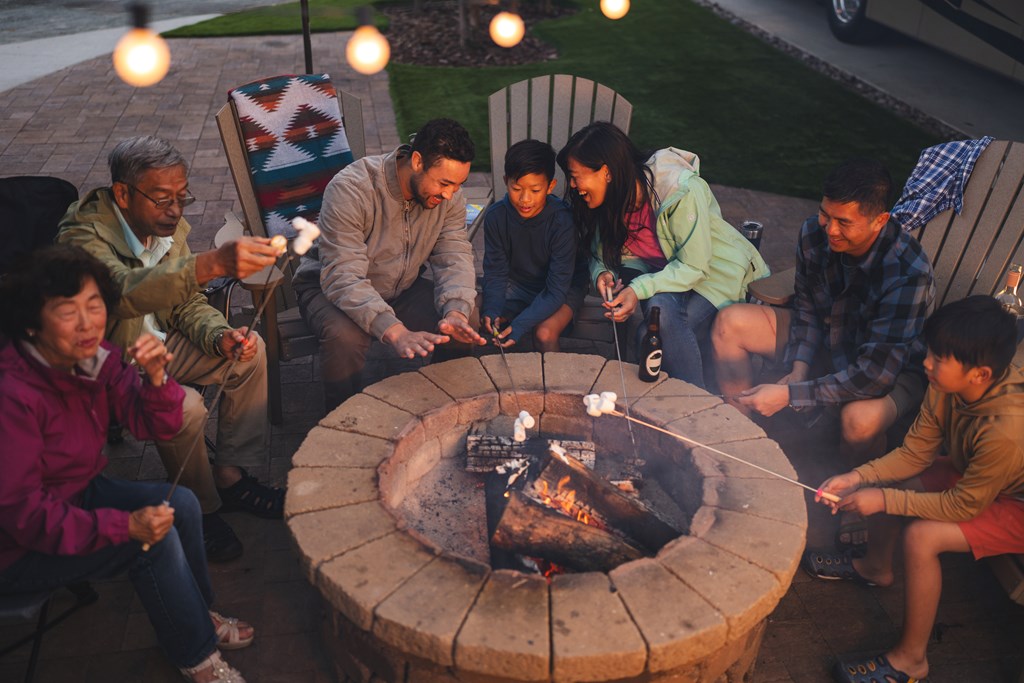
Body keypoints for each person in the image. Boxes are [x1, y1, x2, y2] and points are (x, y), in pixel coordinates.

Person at [0, 245, 254, 683]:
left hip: (74, 492)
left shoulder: (91, 358)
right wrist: (123, 527)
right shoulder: (12, 395)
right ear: (31, 325)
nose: (88, 323)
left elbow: (156, 425)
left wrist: (157, 381)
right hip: (17, 546)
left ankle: (194, 614)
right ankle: (196, 656)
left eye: (94, 305)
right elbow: (23, 515)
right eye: (67, 312)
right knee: (150, 543)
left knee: (183, 504)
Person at [57, 135, 285, 563]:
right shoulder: (83, 238)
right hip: (110, 366)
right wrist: (210, 264)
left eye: (183, 197)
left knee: (249, 350)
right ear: (123, 194)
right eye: (163, 199)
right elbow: (120, 293)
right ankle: (202, 508)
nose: (176, 211)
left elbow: (184, 302)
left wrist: (218, 335)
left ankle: (230, 478)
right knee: (187, 408)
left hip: (158, 345)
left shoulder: (166, 228)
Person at [803, 296, 1024, 683]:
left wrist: (882, 500)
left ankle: (911, 661)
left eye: (939, 358)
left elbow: (962, 507)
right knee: (894, 483)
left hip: (1015, 502)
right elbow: (915, 453)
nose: (927, 363)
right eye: (931, 352)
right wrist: (859, 477)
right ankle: (875, 567)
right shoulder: (945, 384)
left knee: (922, 537)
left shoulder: (1006, 431)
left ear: (980, 375)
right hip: (981, 479)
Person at [713, 159, 935, 475]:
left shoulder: (907, 272)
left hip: (890, 370)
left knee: (859, 422)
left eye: (844, 222)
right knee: (730, 323)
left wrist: (790, 394)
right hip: (829, 340)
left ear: (879, 221)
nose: (830, 229)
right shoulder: (813, 233)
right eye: (825, 214)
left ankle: (850, 490)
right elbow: (807, 309)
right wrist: (799, 367)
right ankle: (740, 444)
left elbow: (874, 375)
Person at [556, 122, 769, 388]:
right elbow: (599, 252)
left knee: (650, 333)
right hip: (666, 274)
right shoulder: (609, 200)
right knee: (655, 325)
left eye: (575, 176)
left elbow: (694, 266)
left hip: (714, 274)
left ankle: (695, 403)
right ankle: (684, 403)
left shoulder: (679, 191)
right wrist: (603, 273)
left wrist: (637, 289)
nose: (572, 185)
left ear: (606, 172)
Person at [293, 118, 486, 411]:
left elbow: (454, 255)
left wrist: (456, 311)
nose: (450, 194)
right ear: (417, 161)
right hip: (329, 289)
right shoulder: (351, 189)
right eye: (444, 183)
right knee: (345, 338)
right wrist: (395, 331)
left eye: (458, 185)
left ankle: (444, 410)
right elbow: (343, 277)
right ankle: (341, 422)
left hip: (401, 289)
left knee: (464, 322)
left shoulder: (450, 198)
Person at [481, 139, 586, 351]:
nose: (525, 199)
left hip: (562, 289)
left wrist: (520, 324)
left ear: (550, 186)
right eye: (516, 188)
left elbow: (557, 289)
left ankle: (554, 374)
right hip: (517, 285)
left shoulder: (562, 221)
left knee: (544, 333)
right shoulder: (496, 217)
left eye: (535, 190)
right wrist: (492, 309)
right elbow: (496, 272)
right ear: (506, 181)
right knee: (475, 314)